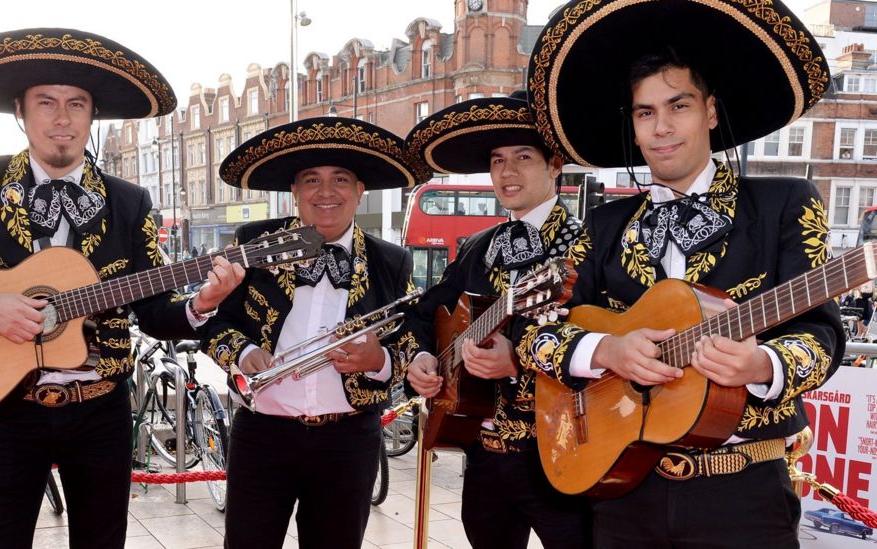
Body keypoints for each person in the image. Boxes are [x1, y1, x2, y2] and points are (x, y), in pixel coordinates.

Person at [0, 28, 243, 548]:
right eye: (46, 103)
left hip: (101, 410)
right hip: (5, 407)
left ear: (92, 117)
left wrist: (201, 302)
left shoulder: (130, 202)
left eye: (76, 105)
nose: (62, 119)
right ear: (21, 111)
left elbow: (153, 309)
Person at [522, 2, 843, 547]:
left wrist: (762, 363)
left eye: (679, 105)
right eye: (645, 113)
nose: (662, 127)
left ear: (711, 112)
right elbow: (533, 335)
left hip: (743, 491)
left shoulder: (784, 202)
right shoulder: (602, 225)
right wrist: (605, 351)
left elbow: (823, 335)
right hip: (624, 489)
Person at [202, 116, 431, 549]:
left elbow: (411, 342)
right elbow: (215, 323)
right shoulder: (255, 243)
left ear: (360, 190)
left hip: (348, 442)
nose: (326, 193)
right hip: (262, 436)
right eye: (312, 180)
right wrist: (243, 351)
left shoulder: (391, 261)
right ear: (295, 191)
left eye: (340, 179)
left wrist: (378, 361)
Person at [404, 92, 591, 548]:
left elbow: (608, 337)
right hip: (483, 454)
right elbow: (425, 312)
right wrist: (422, 357)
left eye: (523, 157)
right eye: (497, 160)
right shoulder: (477, 245)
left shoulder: (588, 243)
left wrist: (521, 361)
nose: (507, 172)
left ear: (555, 164)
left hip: (562, 452)